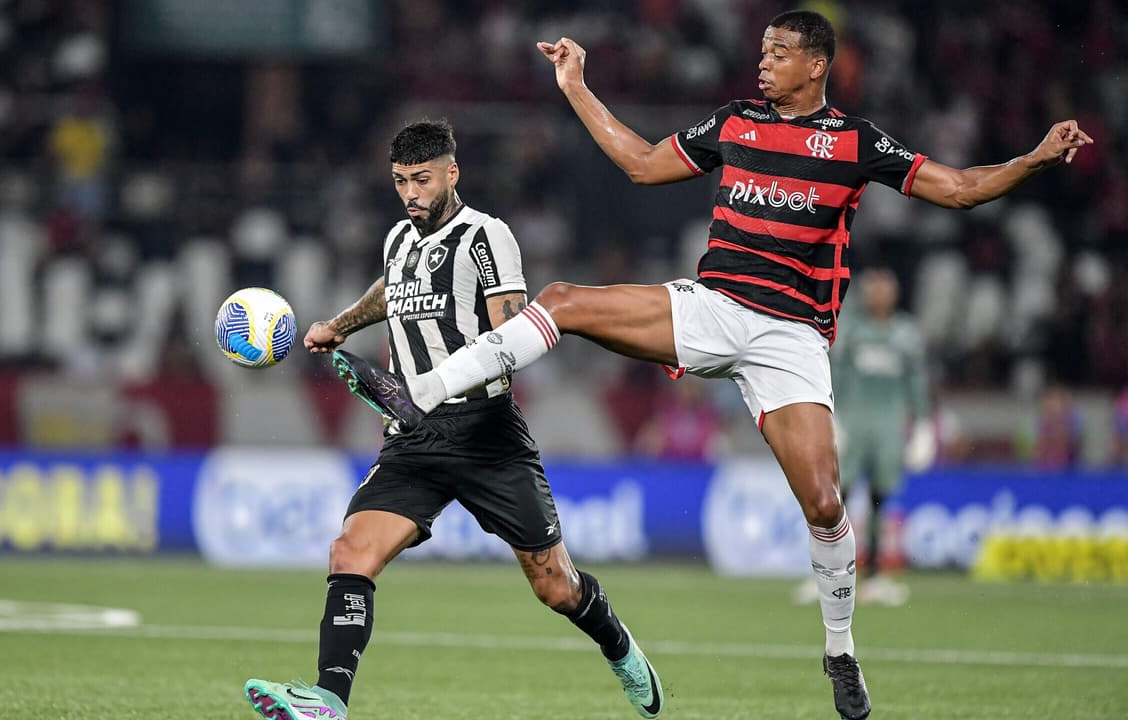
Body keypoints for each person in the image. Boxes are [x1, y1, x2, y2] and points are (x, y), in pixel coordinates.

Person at [329, 11, 1093, 720]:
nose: (762, 62)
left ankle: (841, 651)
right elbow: (638, 163)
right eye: (761, 50)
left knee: (825, 504)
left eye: (779, 53)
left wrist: (1033, 158)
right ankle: (422, 390)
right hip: (712, 306)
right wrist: (577, 87)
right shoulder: (735, 123)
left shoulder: (856, 143)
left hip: (790, 336)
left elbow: (957, 191)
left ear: (818, 65)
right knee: (562, 298)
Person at [244, 121, 663, 720]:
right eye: (399, 182)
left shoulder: (486, 238)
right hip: (413, 440)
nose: (410, 193)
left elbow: (513, 338)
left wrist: (431, 388)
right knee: (351, 551)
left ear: (451, 173)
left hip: (486, 435)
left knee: (556, 587)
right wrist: (340, 325)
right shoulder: (398, 239)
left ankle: (619, 645)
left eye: (421, 179)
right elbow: (392, 291)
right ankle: (329, 699)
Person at [800, 267, 932, 608]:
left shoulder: (906, 332)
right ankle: (826, 575)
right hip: (854, 422)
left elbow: (916, 380)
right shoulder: (853, 330)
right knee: (834, 498)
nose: (879, 295)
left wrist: (922, 425)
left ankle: (873, 575)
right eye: (874, 289)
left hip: (888, 426)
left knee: (880, 498)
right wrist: (832, 418)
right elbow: (834, 374)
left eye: (885, 288)